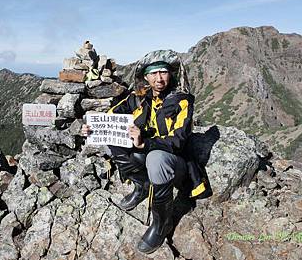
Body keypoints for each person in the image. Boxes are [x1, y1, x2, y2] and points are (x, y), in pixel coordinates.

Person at [81, 50, 208, 254]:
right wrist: (93, 127)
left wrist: (144, 144)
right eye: (154, 73)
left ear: (171, 75)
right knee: (113, 141)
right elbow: (113, 115)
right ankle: (142, 185)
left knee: (156, 158)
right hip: (148, 154)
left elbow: (178, 141)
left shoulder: (182, 100)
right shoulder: (139, 98)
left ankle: (162, 224)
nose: (159, 78)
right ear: (146, 77)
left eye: (164, 72)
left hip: (175, 162)